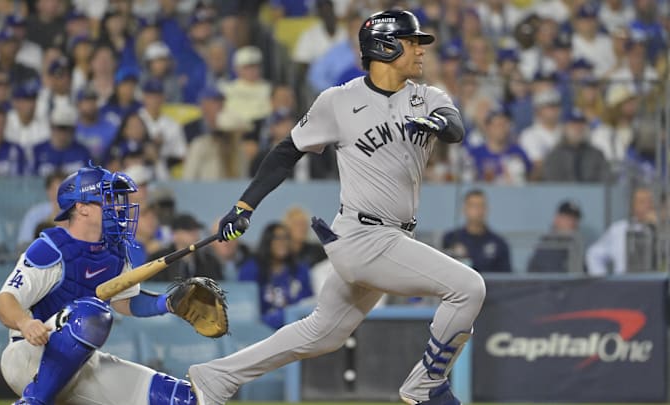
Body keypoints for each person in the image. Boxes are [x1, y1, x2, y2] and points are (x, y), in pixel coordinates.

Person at [187, 10, 484, 405]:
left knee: (321, 334)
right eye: (412, 42)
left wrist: (437, 124)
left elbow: (455, 127)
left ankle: (216, 378)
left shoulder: (428, 96)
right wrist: (245, 205)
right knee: (468, 288)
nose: (419, 50)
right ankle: (425, 385)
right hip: (363, 236)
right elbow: (285, 153)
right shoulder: (339, 101)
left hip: (392, 236)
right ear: (385, 46)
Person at [0, 164, 200, 404]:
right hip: (28, 357)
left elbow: (125, 302)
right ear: (81, 208)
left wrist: (169, 302)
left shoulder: (114, 252)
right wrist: (26, 323)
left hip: (80, 363)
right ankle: (34, 401)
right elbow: (3, 302)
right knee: (91, 313)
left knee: (181, 399)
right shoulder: (51, 248)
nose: (119, 207)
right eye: (109, 199)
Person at [238, 222, 313, 330]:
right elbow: (247, 310)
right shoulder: (251, 269)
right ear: (268, 241)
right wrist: (283, 315)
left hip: (296, 328)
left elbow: (307, 302)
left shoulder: (300, 269)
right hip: (262, 329)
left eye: (286, 238)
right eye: (277, 238)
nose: (283, 242)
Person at [586, 186, 657, 275]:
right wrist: (603, 284)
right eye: (642, 202)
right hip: (624, 283)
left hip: (656, 283)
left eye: (650, 201)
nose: (648, 206)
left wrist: (655, 227)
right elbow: (593, 254)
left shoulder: (662, 230)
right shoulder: (619, 229)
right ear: (633, 206)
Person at [442, 189, 512, 273]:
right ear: (464, 209)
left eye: (482, 206)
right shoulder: (451, 239)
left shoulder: (499, 244)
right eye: (474, 206)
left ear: (487, 209)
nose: (478, 210)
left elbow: (506, 279)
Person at [149, 214, 223, 282]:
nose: (195, 234)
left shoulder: (209, 261)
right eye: (189, 230)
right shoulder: (159, 260)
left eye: (196, 230)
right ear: (175, 234)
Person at [527, 200, 585, 273]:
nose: (572, 223)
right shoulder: (546, 247)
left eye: (575, 219)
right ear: (557, 219)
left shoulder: (578, 247)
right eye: (567, 218)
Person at [16, 171, 67, 250]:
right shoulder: (35, 215)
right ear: (49, 191)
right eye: (55, 190)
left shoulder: (79, 216)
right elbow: (23, 246)